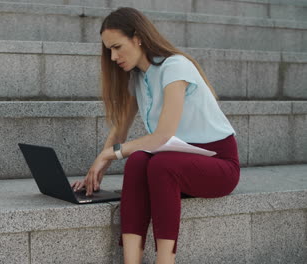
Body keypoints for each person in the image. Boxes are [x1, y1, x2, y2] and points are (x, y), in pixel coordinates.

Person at [70, 7, 240, 264]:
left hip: (219, 165)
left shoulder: (175, 66)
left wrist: (110, 153)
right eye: (109, 51)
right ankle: (131, 260)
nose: (114, 57)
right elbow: (120, 129)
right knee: (139, 161)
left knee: (160, 164)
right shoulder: (137, 77)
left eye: (117, 47)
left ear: (137, 37)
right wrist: (99, 168)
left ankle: (165, 261)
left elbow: (163, 135)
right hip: (177, 163)